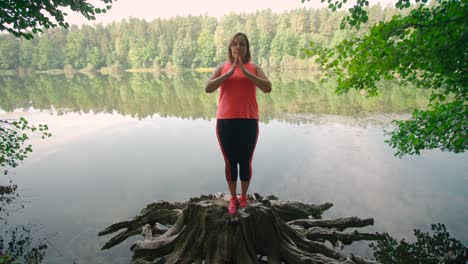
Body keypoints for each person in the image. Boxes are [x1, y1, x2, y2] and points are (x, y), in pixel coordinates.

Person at [205, 32, 272, 215]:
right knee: (230, 161)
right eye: (234, 44)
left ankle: (244, 196)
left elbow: (268, 87)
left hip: (248, 120)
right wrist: (227, 74)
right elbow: (207, 88)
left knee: (245, 160)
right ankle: (233, 198)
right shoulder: (222, 67)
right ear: (230, 48)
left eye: (242, 44)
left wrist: (246, 73)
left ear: (247, 48)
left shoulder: (254, 67)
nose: (238, 47)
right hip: (225, 121)